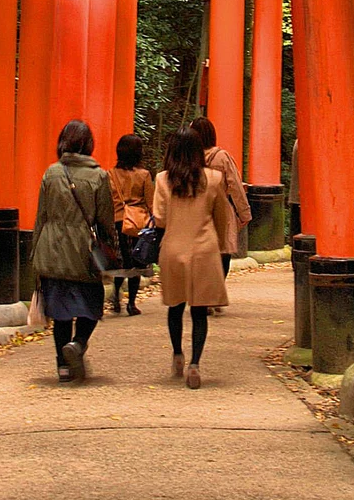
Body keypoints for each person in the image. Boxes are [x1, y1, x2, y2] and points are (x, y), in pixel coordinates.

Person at [29, 119, 116, 383]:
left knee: (60, 312)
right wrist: (111, 246)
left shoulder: (51, 173)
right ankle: (78, 344)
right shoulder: (99, 176)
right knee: (91, 305)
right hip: (83, 251)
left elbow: (41, 215)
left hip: (52, 247)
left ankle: (62, 368)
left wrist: (35, 251)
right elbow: (105, 219)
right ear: (88, 144)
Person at [152, 128, 235, 388]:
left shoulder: (163, 180)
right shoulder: (213, 178)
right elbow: (221, 216)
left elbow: (161, 219)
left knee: (175, 307)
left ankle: (178, 354)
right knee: (199, 311)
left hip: (173, 249)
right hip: (204, 249)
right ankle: (195, 364)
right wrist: (220, 243)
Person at [188, 116, 252, 310]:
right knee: (222, 254)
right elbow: (234, 185)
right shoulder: (222, 157)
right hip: (220, 209)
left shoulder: (189, 158)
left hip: (194, 209)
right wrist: (244, 213)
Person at [107, 133, 154, 315]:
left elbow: (106, 200)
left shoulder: (110, 174)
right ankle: (131, 303)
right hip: (138, 222)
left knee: (121, 262)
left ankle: (116, 297)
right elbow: (150, 201)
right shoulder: (143, 175)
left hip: (118, 221)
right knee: (136, 262)